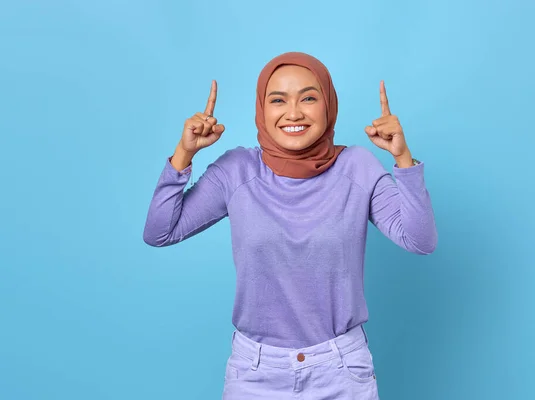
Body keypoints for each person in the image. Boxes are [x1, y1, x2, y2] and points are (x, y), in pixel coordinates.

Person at [143, 52, 437, 400]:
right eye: (278, 100)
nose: (294, 113)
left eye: (309, 98)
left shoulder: (357, 167)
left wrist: (403, 160)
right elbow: (160, 232)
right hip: (255, 373)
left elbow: (420, 240)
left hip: (341, 371)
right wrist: (183, 154)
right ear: (261, 109)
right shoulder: (237, 170)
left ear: (328, 106)